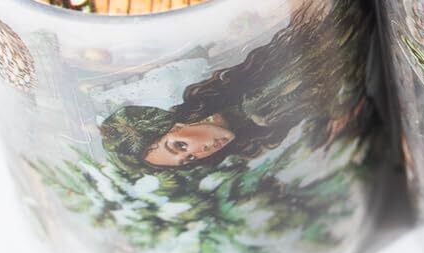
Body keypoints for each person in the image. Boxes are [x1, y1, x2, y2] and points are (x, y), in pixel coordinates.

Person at [98, 12, 373, 179]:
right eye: (189, 159)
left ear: (177, 124)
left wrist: (339, 114)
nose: (200, 152)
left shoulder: (258, 109)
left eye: (180, 146)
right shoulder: (243, 113)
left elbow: (331, 72)